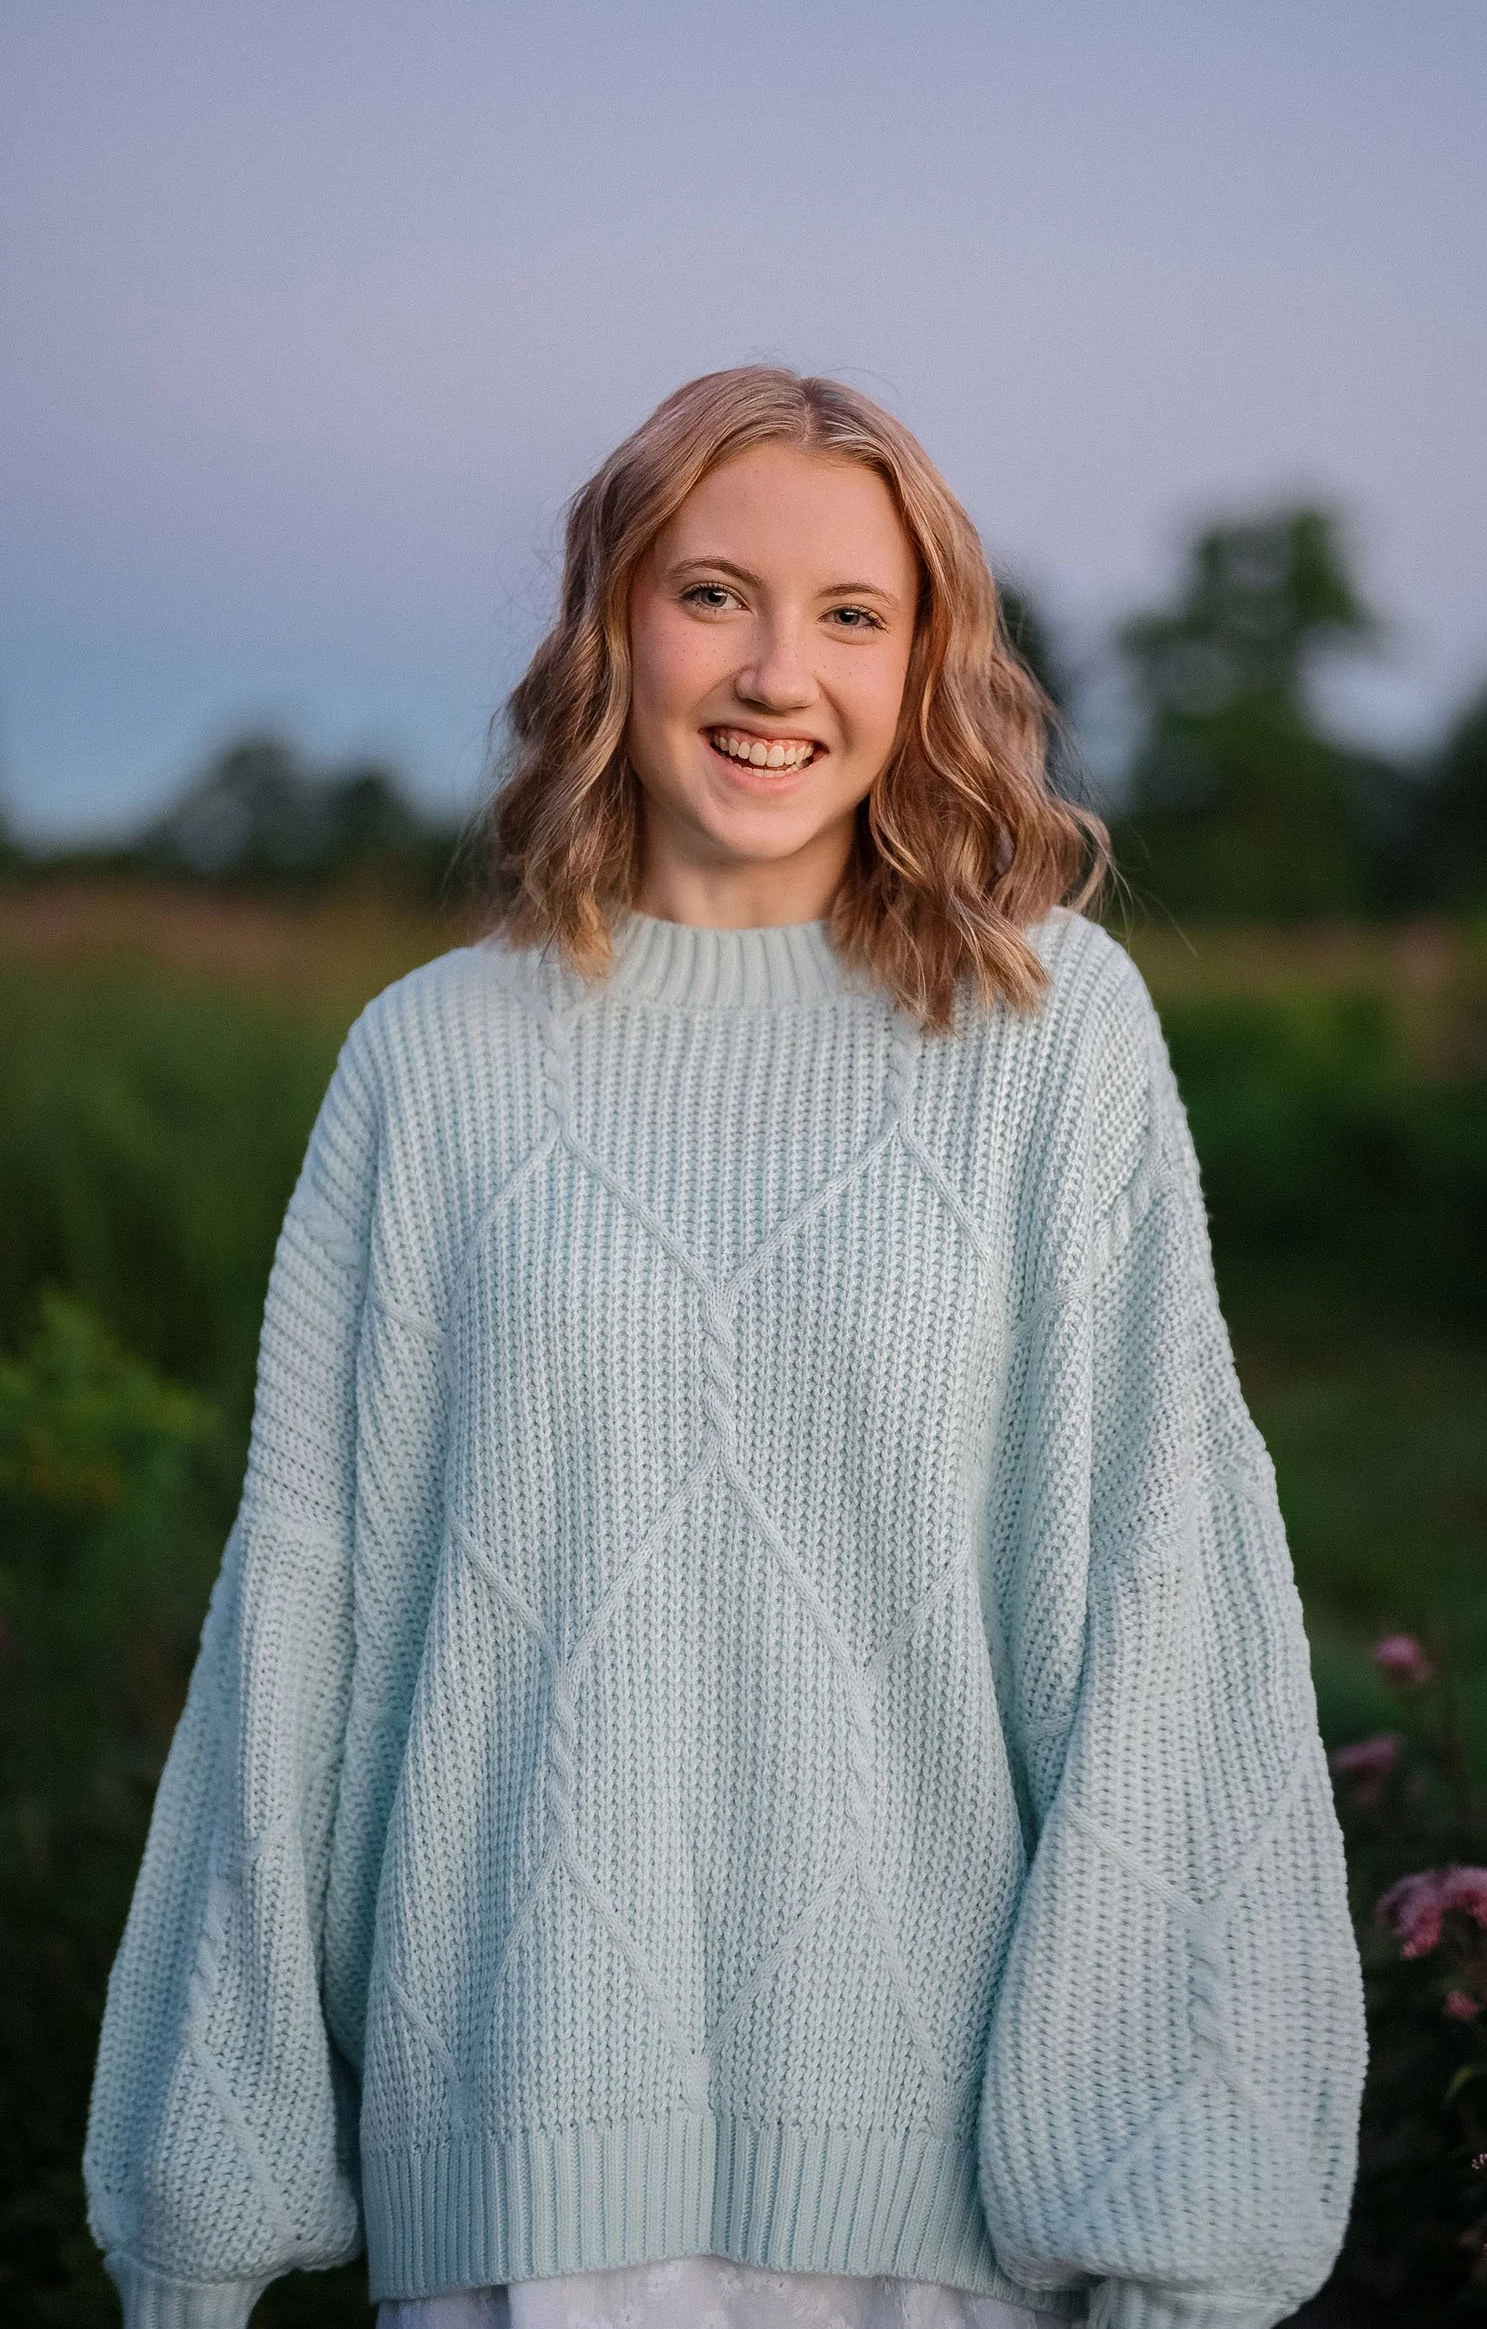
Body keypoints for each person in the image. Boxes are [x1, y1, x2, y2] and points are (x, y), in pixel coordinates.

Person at [83, 367, 1367, 2329]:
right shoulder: (427, 1064)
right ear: (609, 621)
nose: (780, 671)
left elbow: (1160, 1601)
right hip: (510, 2180)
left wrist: (1174, 2218)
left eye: (851, 613)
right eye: (712, 594)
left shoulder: (1050, 1036)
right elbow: (301, 1632)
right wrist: (201, 2208)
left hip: (940, 2217)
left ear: (924, 656)